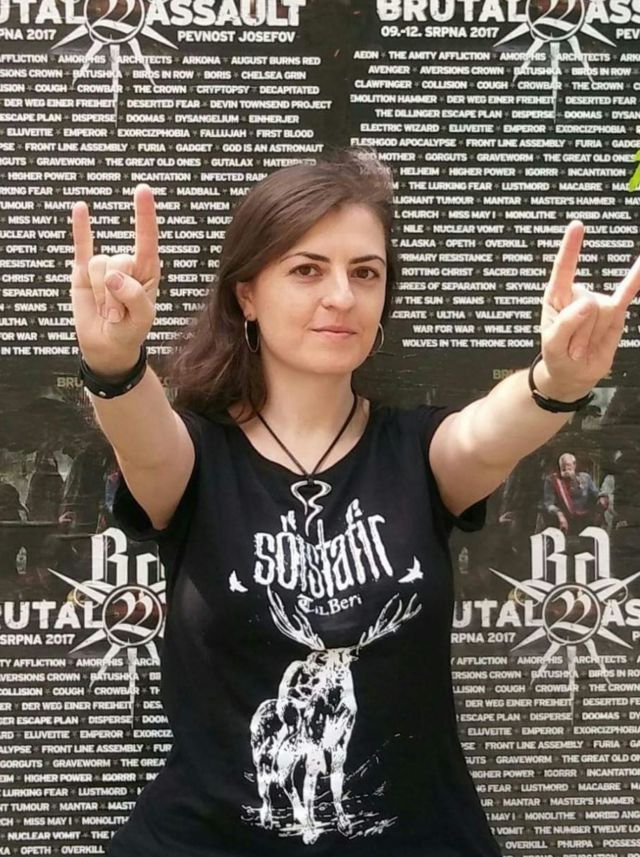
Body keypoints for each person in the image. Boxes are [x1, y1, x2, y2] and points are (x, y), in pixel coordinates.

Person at [70, 149, 640, 857]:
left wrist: (557, 380)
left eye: (365, 272)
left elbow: (490, 434)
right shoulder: (195, 456)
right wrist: (115, 361)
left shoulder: (420, 452)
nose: (342, 296)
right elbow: (146, 441)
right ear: (247, 294)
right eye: (307, 269)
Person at [540, 451, 608, 535]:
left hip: (584, 520)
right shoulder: (552, 480)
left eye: (568, 466)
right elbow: (549, 504)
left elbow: (597, 493)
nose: (566, 469)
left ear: (574, 465)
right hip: (561, 521)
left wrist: (602, 499)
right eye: (563, 467)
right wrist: (560, 515)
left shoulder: (585, 478)